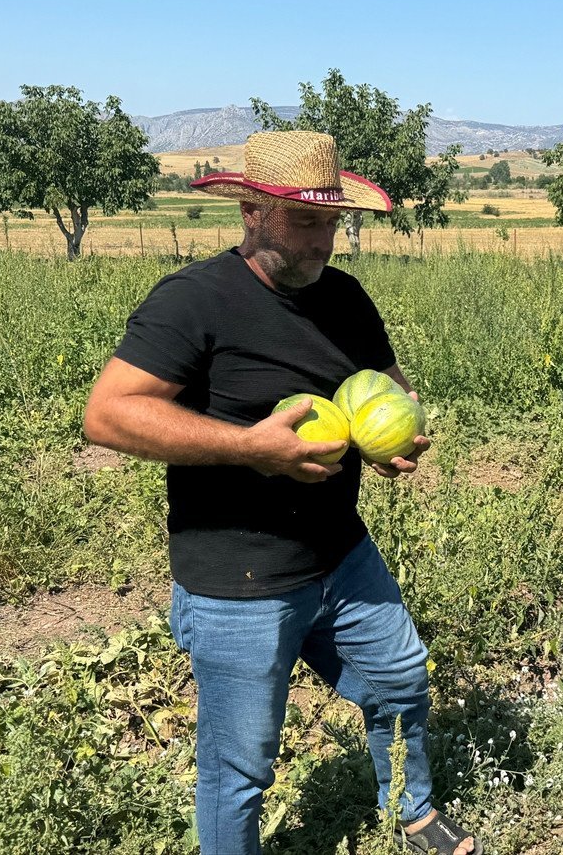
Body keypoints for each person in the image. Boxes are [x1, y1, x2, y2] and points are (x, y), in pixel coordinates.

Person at [84, 131, 481, 855]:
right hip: (238, 575)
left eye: (331, 222)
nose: (324, 240)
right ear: (251, 210)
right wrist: (249, 447)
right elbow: (107, 413)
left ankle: (413, 810)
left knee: (399, 681)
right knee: (241, 766)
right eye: (305, 222)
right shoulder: (194, 300)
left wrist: (392, 436)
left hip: (341, 551)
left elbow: (389, 386)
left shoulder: (347, 298)